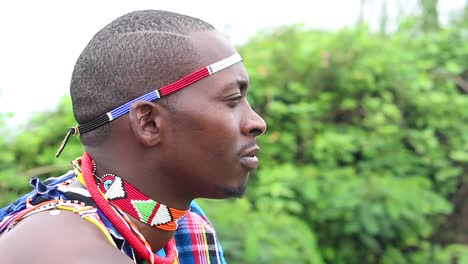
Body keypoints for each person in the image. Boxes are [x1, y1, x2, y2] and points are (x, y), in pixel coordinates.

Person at [0, 9, 266, 264]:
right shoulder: (60, 249)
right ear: (149, 123)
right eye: (233, 100)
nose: (257, 123)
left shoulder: (186, 228)